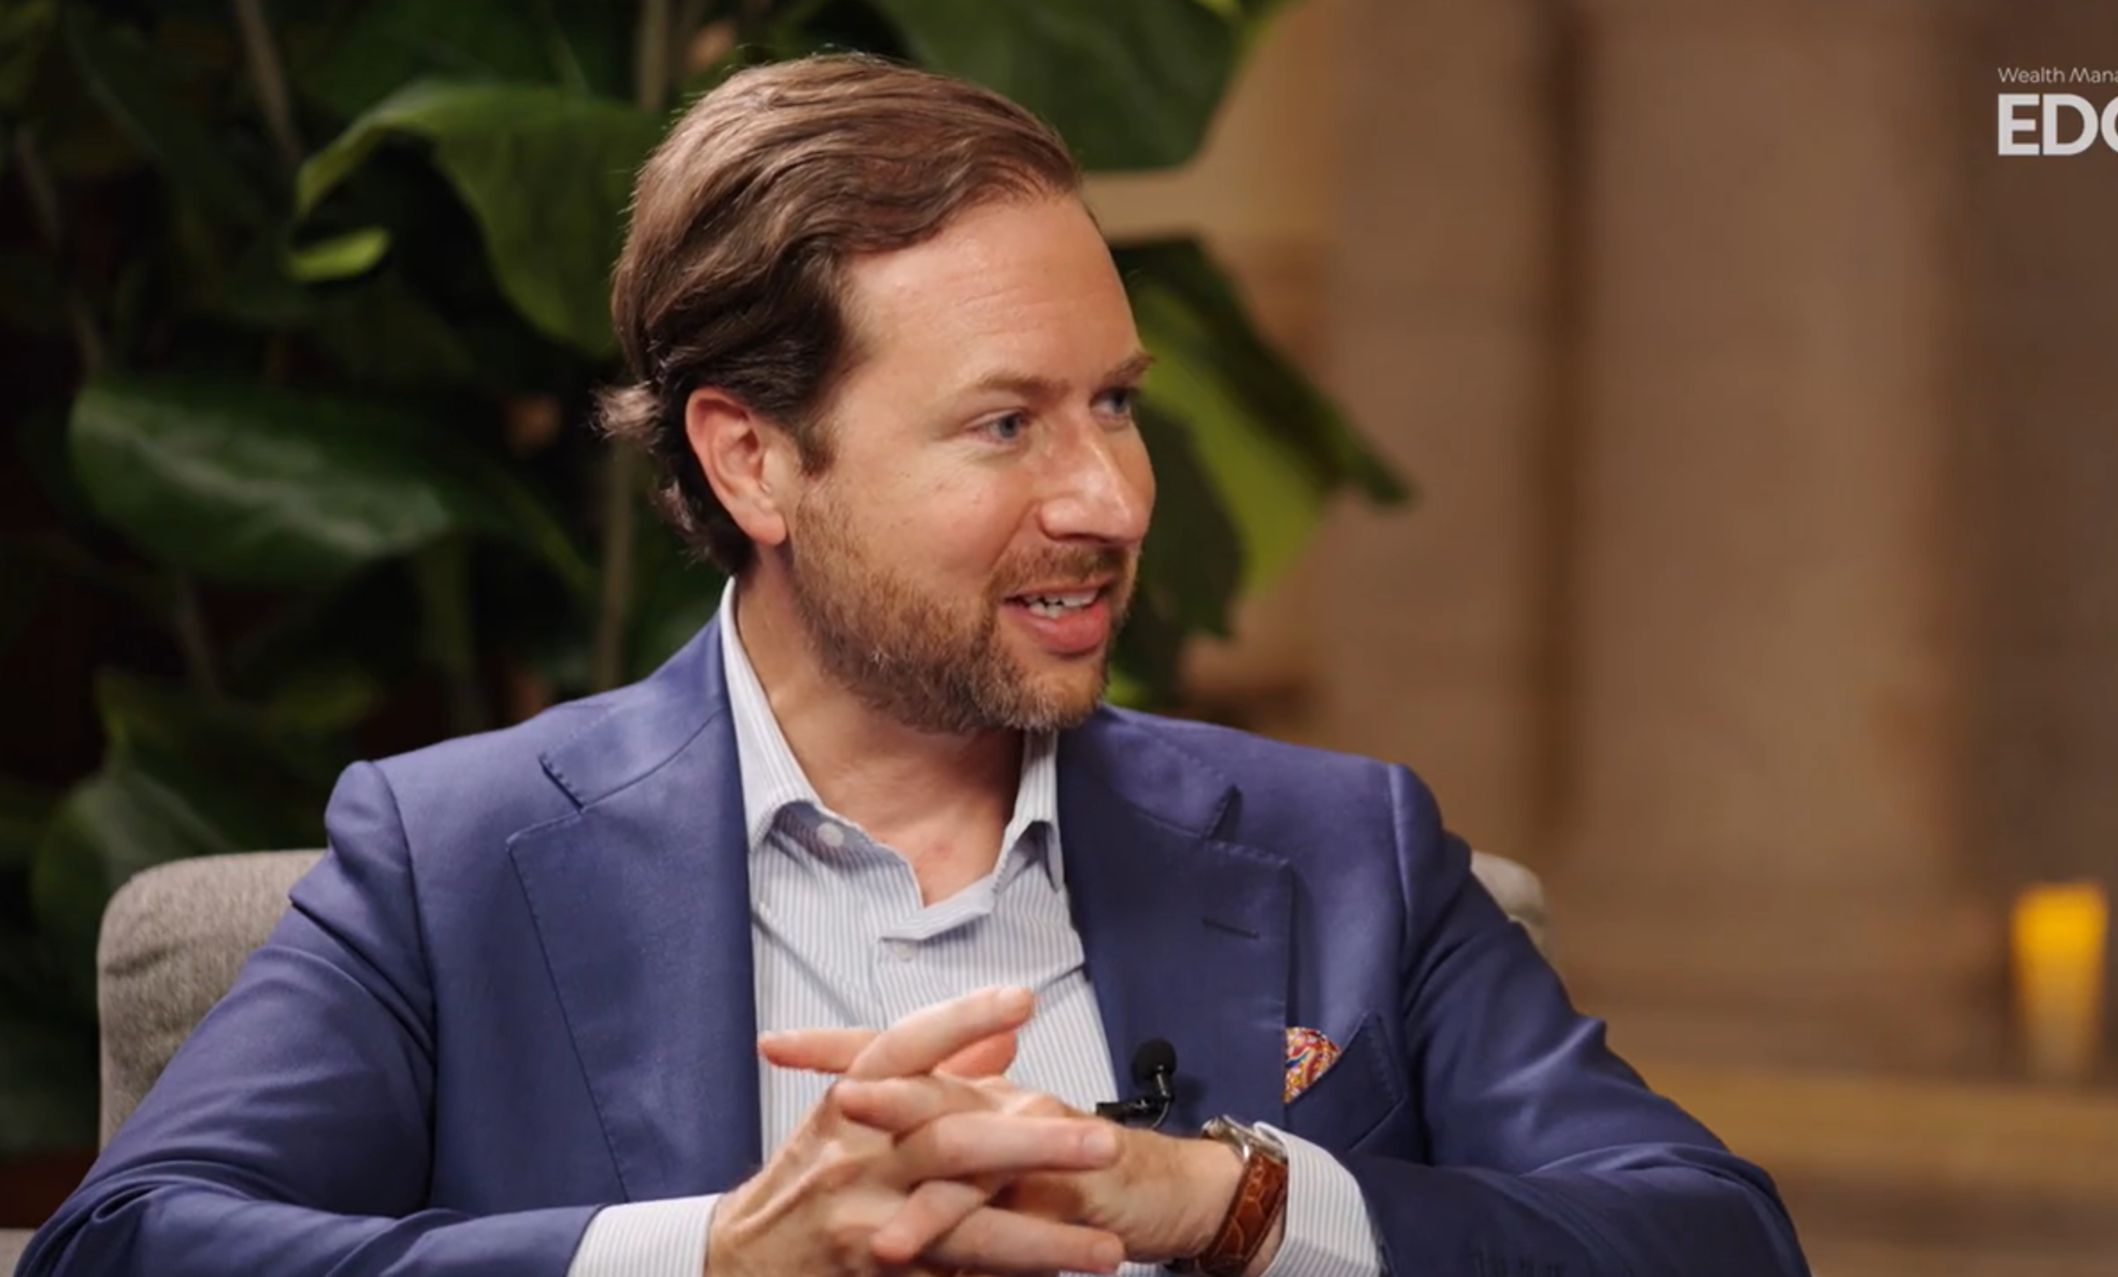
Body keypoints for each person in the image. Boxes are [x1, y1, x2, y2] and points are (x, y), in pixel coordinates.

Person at [17, 55, 1811, 1277]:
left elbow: (1712, 1238)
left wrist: (1223, 1201)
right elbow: (125, 1247)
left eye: (1115, 405)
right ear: (753, 462)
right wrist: (714, 1256)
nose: (1111, 498)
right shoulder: (455, 857)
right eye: (1005, 423)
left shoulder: (1345, 849)